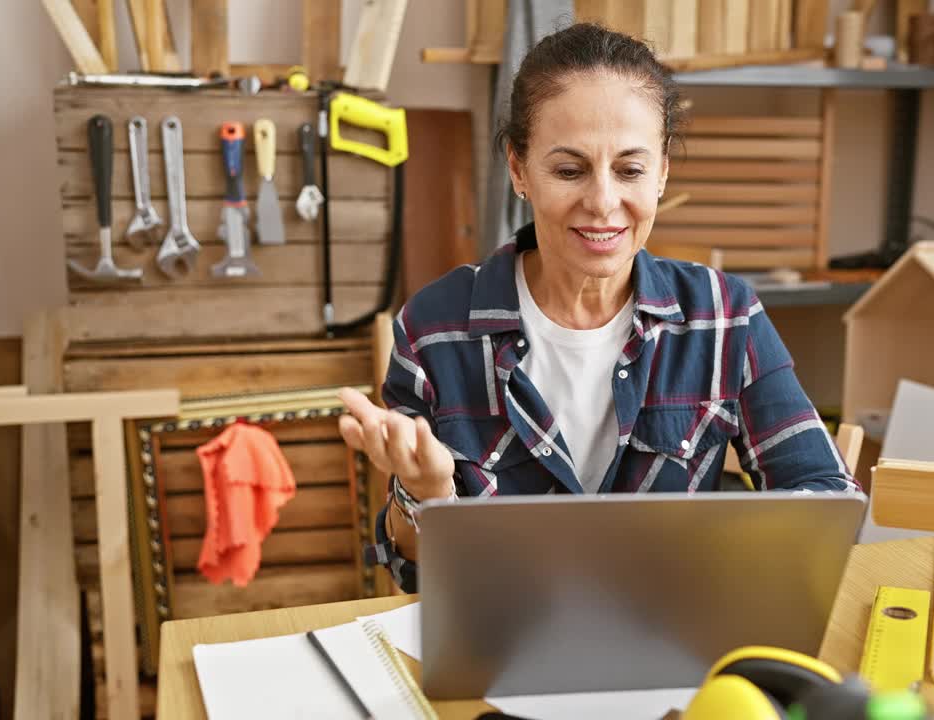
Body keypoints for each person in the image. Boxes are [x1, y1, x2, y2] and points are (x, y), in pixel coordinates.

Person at [338, 23, 858, 592]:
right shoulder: (433, 331)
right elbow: (413, 571)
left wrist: (716, 554)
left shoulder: (726, 316)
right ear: (518, 169)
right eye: (569, 170)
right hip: (505, 644)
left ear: (662, 172)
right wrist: (426, 495)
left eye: (630, 170)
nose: (604, 203)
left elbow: (828, 495)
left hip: (675, 633)